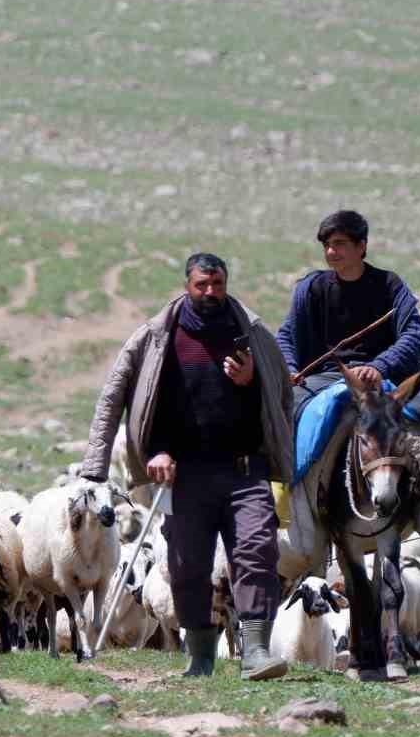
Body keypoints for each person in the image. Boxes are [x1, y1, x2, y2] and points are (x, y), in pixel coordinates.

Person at [82, 253, 294, 680]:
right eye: (202, 285)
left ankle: (254, 652)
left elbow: (281, 397)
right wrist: (104, 464)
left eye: (217, 285)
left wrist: (250, 381)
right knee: (187, 563)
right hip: (182, 473)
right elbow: (114, 397)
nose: (211, 293)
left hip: (243, 468)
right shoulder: (156, 336)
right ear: (187, 285)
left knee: (257, 551)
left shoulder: (251, 334)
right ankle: (200, 657)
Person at [276, 209, 420, 529]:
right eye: (327, 245)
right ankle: (278, 496)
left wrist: (380, 366)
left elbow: (415, 334)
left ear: (361, 246)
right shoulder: (311, 289)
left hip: (389, 375)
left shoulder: (389, 285)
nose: (331, 252)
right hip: (329, 374)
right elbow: (287, 335)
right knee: (287, 404)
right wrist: (288, 367)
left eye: (340, 244)